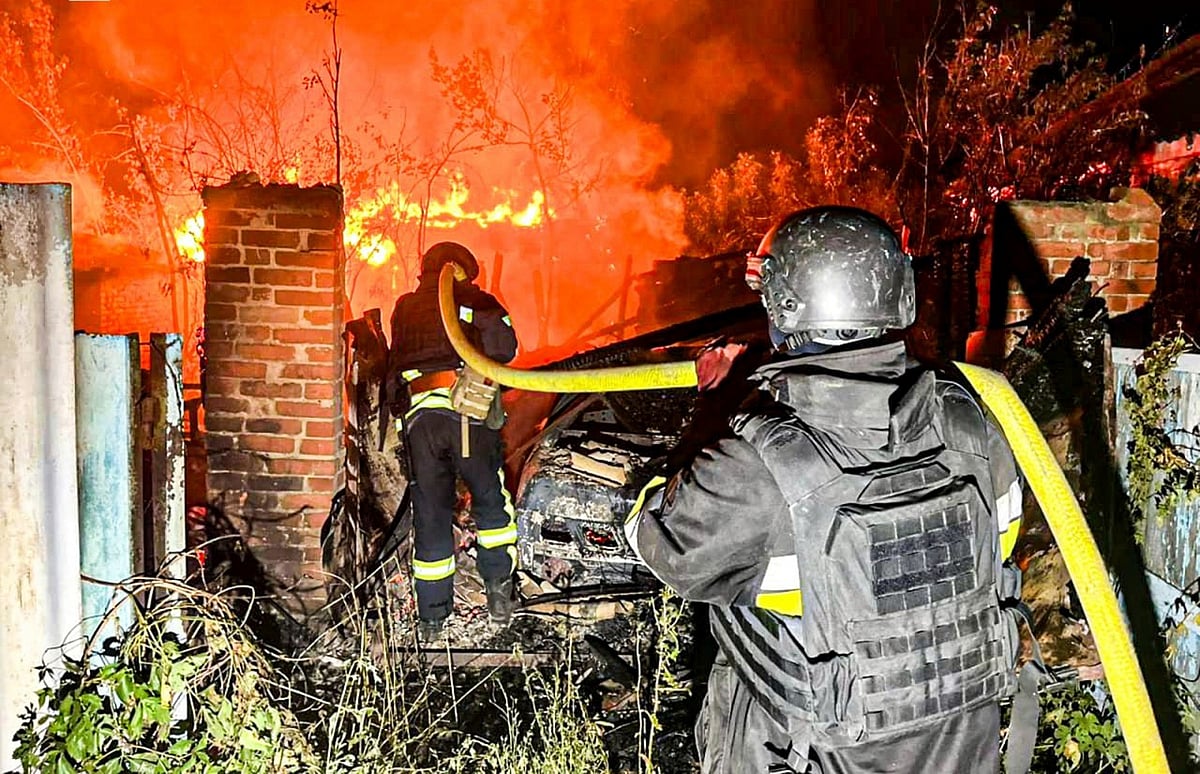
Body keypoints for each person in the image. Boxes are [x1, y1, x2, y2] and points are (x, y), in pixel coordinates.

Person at [625, 207, 1027, 773]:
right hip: (960, 740)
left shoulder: (762, 467)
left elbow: (661, 540)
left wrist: (717, 404)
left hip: (803, 746)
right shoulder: (973, 423)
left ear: (785, 305)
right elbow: (999, 547)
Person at [387, 241, 519, 641]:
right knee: (490, 503)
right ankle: (499, 593)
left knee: (430, 512)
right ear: (464, 270)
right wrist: (480, 313)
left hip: (419, 420)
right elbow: (505, 350)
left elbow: (395, 366)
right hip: (467, 415)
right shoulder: (476, 300)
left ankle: (431, 618)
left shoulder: (405, 307)